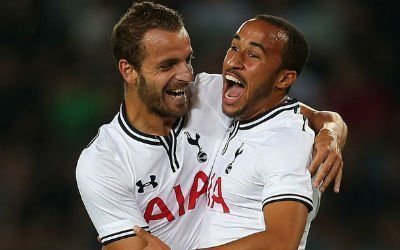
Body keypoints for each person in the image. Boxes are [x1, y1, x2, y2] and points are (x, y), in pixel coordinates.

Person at [75, 2, 347, 250]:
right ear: (129, 70)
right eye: (168, 65)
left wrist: (331, 132)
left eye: (187, 59)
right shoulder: (102, 164)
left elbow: (301, 116)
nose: (186, 75)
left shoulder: (211, 93)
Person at [195, 15, 326, 249]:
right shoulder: (244, 111)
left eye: (253, 55)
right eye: (234, 47)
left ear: (284, 78)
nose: (234, 61)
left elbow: (281, 241)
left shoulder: (285, 140)